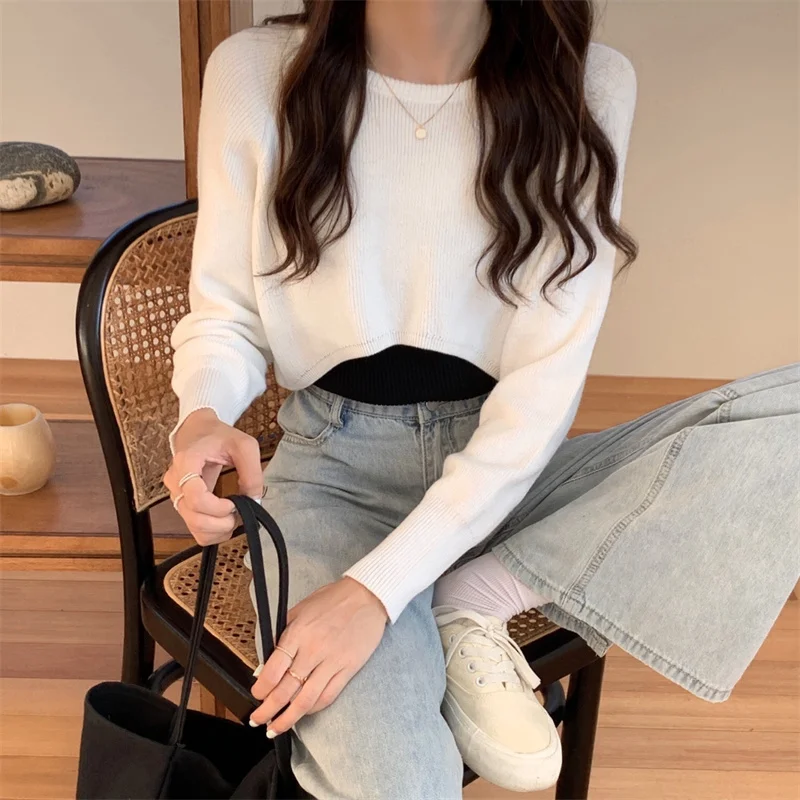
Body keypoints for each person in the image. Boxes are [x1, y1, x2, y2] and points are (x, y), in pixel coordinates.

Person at [163, 1, 800, 796]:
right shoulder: (257, 73)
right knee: (402, 785)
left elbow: (539, 399)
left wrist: (376, 591)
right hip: (335, 478)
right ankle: (455, 596)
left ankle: (478, 592)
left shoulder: (588, 84)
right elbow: (224, 311)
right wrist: (202, 413)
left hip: (510, 475)